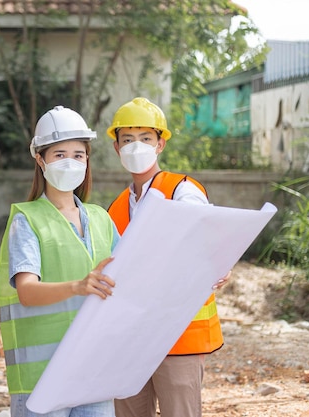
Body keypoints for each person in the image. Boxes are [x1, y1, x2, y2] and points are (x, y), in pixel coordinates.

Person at [105, 97, 230, 417]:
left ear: (160, 144)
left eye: (145, 138)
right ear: (117, 148)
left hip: (179, 337)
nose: (136, 146)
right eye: (128, 139)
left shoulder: (182, 191)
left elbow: (212, 241)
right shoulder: (116, 208)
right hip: (129, 338)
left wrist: (219, 263)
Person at [0, 105, 120, 417]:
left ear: (88, 160)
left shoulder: (101, 219)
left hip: (94, 371)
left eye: (78, 155)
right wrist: (79, 286)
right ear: (40, 159)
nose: (70, 162)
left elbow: (132, 275)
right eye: (59, 154)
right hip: (42, 380)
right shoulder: (28, 220)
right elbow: (27, 291)